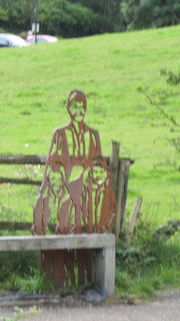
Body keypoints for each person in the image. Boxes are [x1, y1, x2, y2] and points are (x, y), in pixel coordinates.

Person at [32, 90, 114, 286]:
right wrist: (44, 194)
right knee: (63, 229)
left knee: (85, 230)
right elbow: (51, 165)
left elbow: (97, 164)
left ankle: (86, 279)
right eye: (74, 106)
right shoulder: (60, 134)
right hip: (65, 191)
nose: (78, 110)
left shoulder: (93, 135)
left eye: (81, 106)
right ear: (69, 109)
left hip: (85, 192)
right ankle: (59, 278)